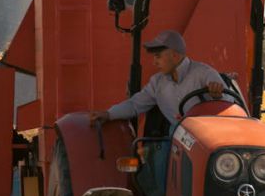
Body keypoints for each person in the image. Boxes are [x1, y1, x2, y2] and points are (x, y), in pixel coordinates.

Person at [90, 30, 226, 128]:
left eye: (158, 56)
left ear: (174, 55)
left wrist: (217, 94)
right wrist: (109, 114)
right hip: (177, 140)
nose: (154, 62)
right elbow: (134, 105)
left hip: (207, 136)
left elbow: (229, 103)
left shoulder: (204, 73)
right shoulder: (157, 83)